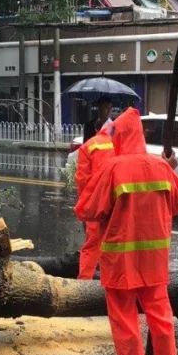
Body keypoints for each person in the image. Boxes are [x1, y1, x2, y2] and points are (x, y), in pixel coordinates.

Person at [75, 108, 178, 355]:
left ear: (119, 138)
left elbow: (86, 210)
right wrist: (170, 169)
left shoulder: (113, 169)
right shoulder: (161, 168)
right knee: (162, 322)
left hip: (120, 263)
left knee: (126, 324)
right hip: (154, 263)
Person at [74, 119, 116, 279]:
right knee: (114, 244)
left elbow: (82, 180)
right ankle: (111, 283)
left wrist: (85, 209)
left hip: (96, 202)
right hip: (117, 201)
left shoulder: (89, 146)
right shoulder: (119, 144)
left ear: (97, 129)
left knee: (92, 246)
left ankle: (84, 283)